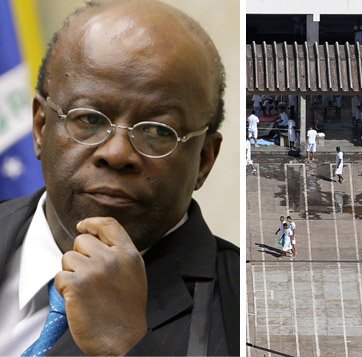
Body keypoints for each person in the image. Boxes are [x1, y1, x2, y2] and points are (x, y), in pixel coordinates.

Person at [0, 2, 238, 354]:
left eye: (158, 131)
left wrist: (127, 346)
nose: (117, 153)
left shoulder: (249, 308)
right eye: (89, 119)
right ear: (40, 126)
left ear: (204, 160)